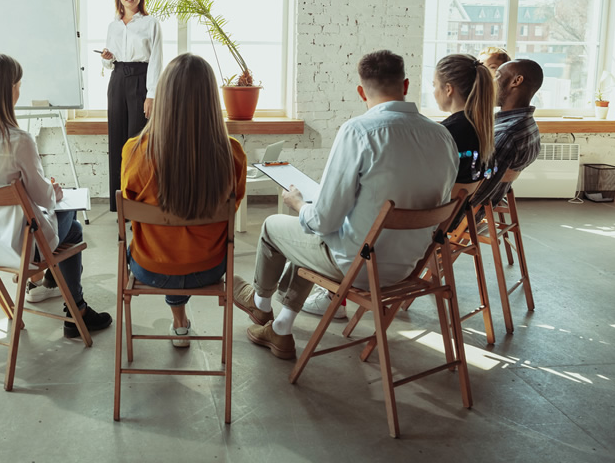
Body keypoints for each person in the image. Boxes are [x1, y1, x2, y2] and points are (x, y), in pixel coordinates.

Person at [232, 50, 458, 359]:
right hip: (409, 267)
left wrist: (299, 204)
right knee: (311, 231)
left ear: (361, 91)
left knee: (282, 225)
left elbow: (324, 221)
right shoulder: (443, 136)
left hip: (360, 267)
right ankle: (281, 329)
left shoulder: (360, 131)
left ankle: (259, 307)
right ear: (405, 86)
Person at [0, 52, 111, 339]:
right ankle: (76, 311)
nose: (19, 89)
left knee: (67, 222)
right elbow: (44, 199)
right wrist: (54, 190)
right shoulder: (18, 140)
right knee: (72, 223)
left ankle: (50, 285)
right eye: (18, 84)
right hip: (20, 248)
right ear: (9, 90)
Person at [121, 53, 247, 347]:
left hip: (151, 268)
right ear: (211, 99)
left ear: (163, 96)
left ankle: (179, 321)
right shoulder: (233, 152)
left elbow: (129, 210)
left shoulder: (136, 150)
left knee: (156, 244)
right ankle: (181, 322)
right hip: (210, 268)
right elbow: (234, 206)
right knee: (184, 246)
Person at [100, 0, 163, 212]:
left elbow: (156, 59)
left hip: (141, 80)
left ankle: (138, 203)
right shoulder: (113, 26)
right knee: (117, 140)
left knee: (137, 142)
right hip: (117, 80)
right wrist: (106, 59)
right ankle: (119, 204)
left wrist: (152, 94)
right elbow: (109, 63)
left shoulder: (151, 23)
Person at [471, 58, 544, 209]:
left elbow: (476, 194)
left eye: (497, 76)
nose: (492, 81)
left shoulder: (507, 134)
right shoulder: (527, 124)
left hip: (465, 214)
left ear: (516, 81)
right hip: (488, 204)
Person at [433, 53, 496, 184]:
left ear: (448, 89)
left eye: (435, 85)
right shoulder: (481, 125)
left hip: (441, 203)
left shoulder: (447, 133)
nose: (434, 92)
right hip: (462, 204)